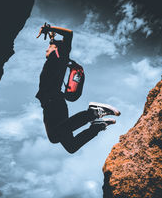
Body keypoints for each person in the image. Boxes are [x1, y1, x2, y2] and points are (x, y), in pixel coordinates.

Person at [36, 23, 120, 154]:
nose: (46, 50)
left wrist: (51, 29)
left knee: (54, 137)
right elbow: (56, 43)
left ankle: (92, 112)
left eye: (49, 47)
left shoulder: (59, 56)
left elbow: (68, 34)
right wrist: (52, 38)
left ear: (57, 49)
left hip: (53, 102)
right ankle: (97, 127)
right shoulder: (57, 58)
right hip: (53, 105)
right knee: (71, 146)